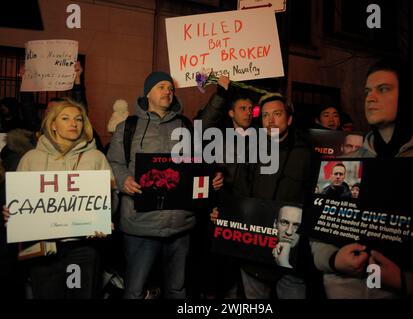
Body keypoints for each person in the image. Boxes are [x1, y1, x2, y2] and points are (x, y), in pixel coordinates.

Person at [311, 58, 413, 298]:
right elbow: (322, 227)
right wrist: (333, 259)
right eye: (367, 91)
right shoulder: (348, 161)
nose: (369, 98)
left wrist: (407, 281)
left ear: (409, 95)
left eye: (382, 89)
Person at [107, 71, 223, 299]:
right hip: (140, 225)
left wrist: (212, 178)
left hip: (179, 224)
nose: (168, 91)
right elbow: (114, 162)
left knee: (177, 289)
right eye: (161, 86)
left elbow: (198, 163)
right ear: (147, 92)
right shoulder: (128, 126)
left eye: (171, 88)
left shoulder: (185, 126)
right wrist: (123, 180)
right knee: (135, 290)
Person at [3, 97, 114, 299]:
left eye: (78, 119)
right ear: (53, 124)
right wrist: (10, 211)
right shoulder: (31, 159)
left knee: (81, 295)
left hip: (83, 248)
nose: (73, 123)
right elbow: (18, 200)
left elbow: (110, 199)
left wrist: (104, 220)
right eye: (65, 118)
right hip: (42, 247)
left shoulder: (96, 158)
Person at [218, 93, 321, 299]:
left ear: (289, 118)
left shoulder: (308, 155)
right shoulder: (250, 151)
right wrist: (225, 214)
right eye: (265, 116)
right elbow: (239, 194)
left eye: (277, 114)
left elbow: (316, 202)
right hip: (254, 258)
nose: (271, 120)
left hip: (292, 259)